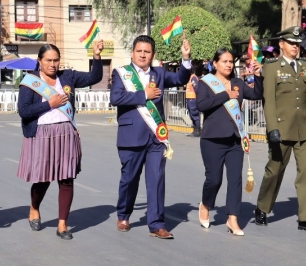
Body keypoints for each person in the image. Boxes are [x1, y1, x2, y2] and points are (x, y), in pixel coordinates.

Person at [16, 41, 103, 240]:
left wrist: (96, 56)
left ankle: (62, 224)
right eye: (48, 60)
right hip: (40, 134)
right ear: (40, 61)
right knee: (43, 178)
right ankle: (34, 207)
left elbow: (94, 77)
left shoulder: (67, 76)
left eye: (56, 60)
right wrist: (50, 104)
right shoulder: (30, 81)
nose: (53, 64)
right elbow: (24, 111)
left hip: (66, 132)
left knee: (66, 179)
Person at [111, 35, 192, 239]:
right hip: (131, 136)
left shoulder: (160, 73)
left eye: (147, 52)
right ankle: (123, 214)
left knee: (156, 179)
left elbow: (181, 78)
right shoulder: (122, 73)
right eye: (139, 51)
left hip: (156, 137)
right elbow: (116, 97)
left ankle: (156, 224)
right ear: (132, 53)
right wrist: (144, 95)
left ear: (152, 55)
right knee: (129, 179)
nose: (143, 55)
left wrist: (185, 58)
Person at [254, 26, 306, 232]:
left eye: (298, 44)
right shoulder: (271, 67)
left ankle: (305, 218)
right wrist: (272, 128)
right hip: (281, 128)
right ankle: (262, 207)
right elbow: (268, 101)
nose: (295, 47)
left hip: (304, 128)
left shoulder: (305, 66)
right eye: (291, 44)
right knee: (274, 170)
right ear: (282, 44)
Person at [195, 48, 263, 236]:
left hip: (235, 140)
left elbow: (256, 94)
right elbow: (201, 106)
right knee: (214, 179)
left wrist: (258, 76)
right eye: (224, 61)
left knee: (235, 180)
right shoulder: (206, 83)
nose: (228, 65)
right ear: (215, 63)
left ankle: (233, 218)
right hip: (212, 140)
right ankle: (206, 204)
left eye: (231, 62)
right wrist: (225, 95)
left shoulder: (237, 83)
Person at [185, 67, 201, 137]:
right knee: (191, 115)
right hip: (189, 98)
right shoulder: (190, 78)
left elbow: (196, 88)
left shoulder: (193, 77)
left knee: (194, 114)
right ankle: (194, 130)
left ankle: (198, 131)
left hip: (193, 99)